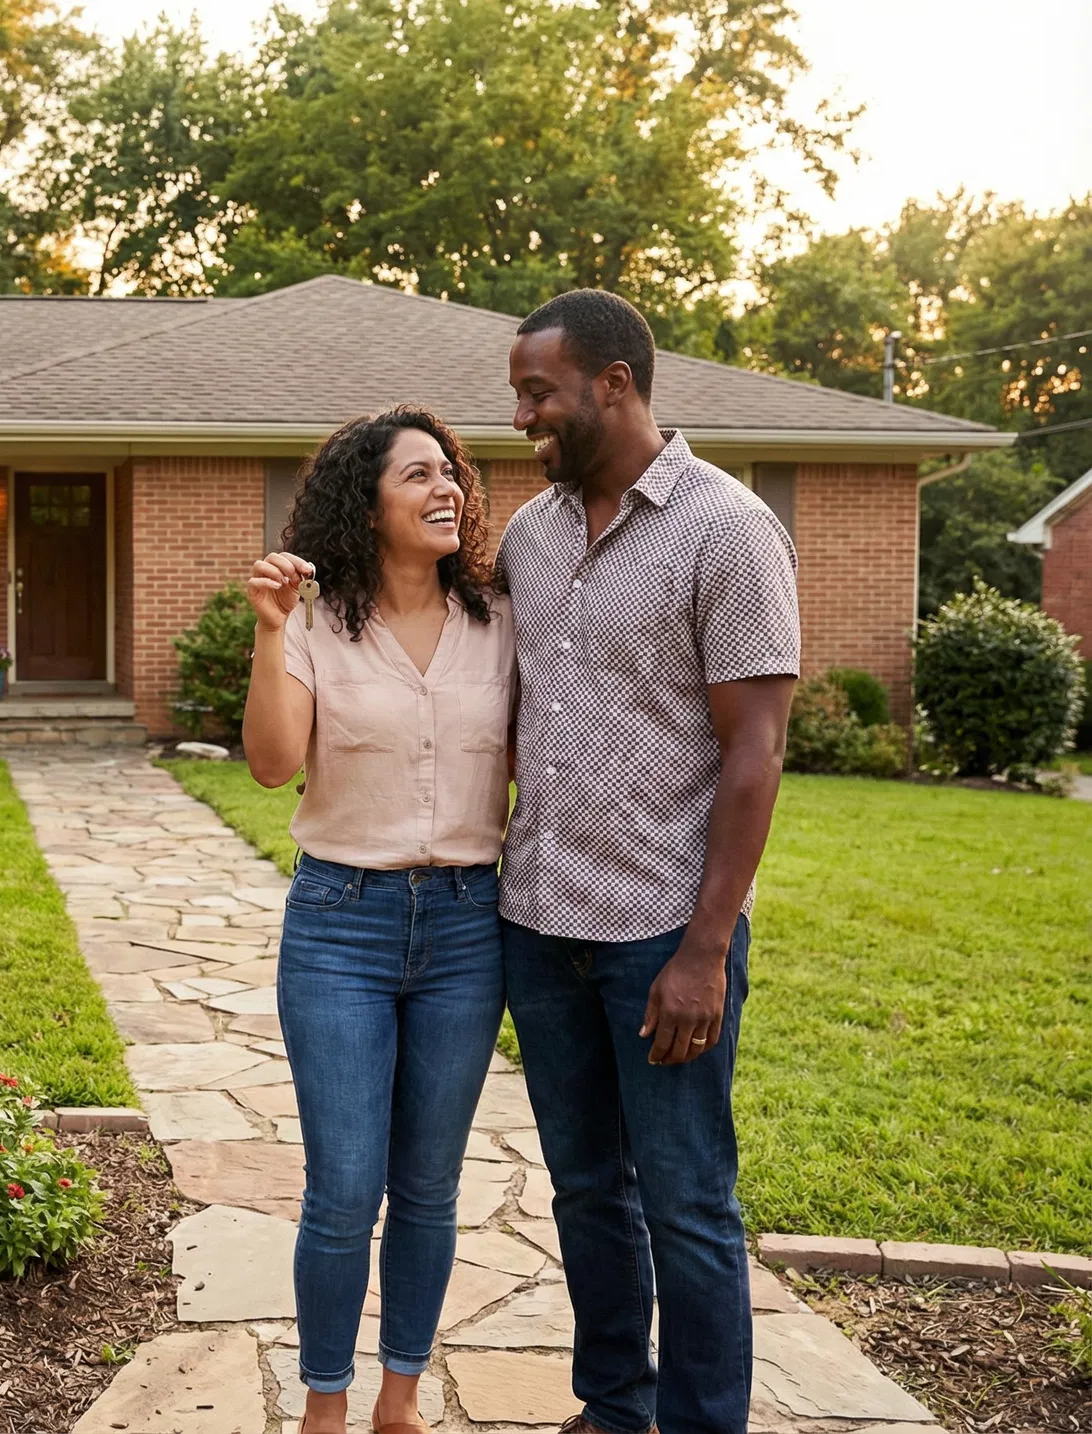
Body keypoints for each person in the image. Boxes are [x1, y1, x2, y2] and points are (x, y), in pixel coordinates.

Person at [496, 289, 800, 1434]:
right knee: (585, 1193)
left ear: (613, 384)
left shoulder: (728, 529)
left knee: (686, 1204)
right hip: (540, 922)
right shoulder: (531, 534)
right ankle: (616, 1409)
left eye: (541, 393)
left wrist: (705, 948)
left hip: (662, 936)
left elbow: (757, 750)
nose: (525, 415)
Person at [242, 406, 514, 1434]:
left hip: (466, 929)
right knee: (345, 1189)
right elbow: (272, 765)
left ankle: (400, 1397)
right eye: (418, 477)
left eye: (451, 474)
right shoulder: (314, 623)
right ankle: (325, 1403)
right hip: (340, 926)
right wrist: (270, 635)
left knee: (431, 1187)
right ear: (368, 502)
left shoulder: (502, 623)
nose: (447, 489)